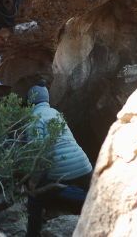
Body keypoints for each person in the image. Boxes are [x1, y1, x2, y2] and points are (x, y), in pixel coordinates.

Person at [25, 83, 92, 237]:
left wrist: (33, 182)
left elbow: (40, 154)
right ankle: (88, 201)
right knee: (87, 191)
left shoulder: (34, 118)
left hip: (62, 172)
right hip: (84, 165)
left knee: (35, 198)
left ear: (30, 101)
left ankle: (32, 234)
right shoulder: (56, 113)